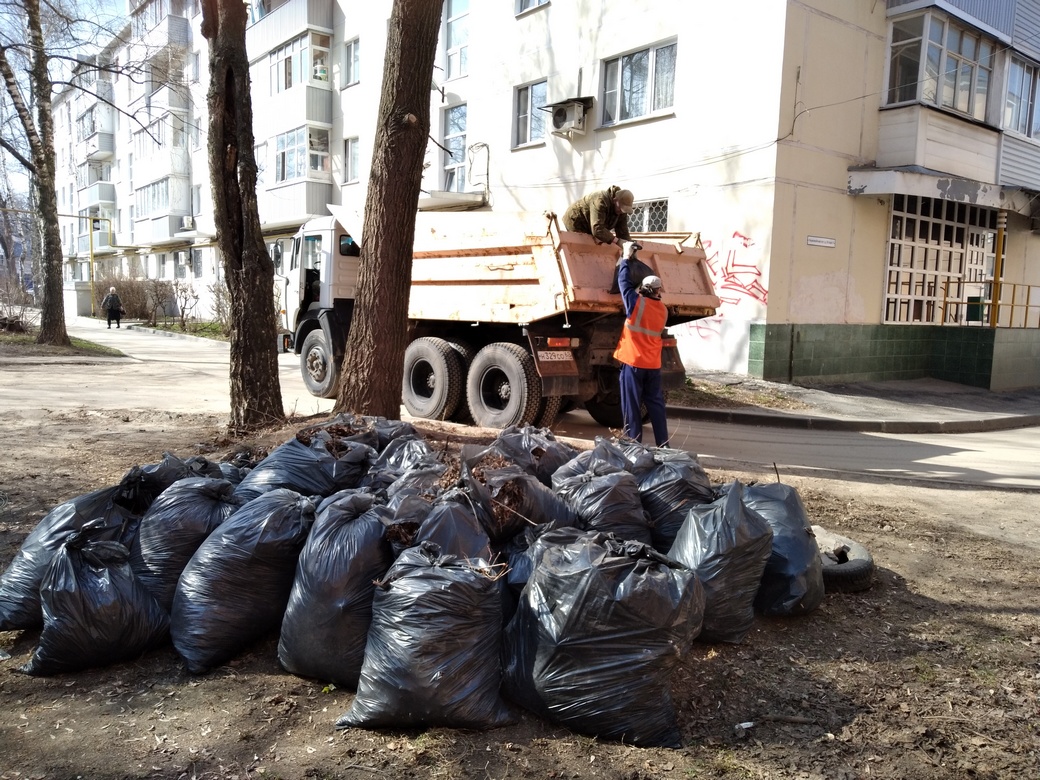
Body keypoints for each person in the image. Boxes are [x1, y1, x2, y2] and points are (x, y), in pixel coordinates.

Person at [612, 243, 669, 447]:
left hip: (634, 363)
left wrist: (626, 259)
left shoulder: (637, 304)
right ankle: (664, 444)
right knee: (656, 405)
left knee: (632, 405)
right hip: (652, 365)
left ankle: (634, 445)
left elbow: (623, 284)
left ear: (644, 289)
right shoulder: (663, 310)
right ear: (658, 291)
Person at [562, 185, 634, 246]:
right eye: (620, 207)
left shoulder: (621, 211)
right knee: (581, 247)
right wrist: (617, 241)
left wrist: (630, 247)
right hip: (576, 221)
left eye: (624, 209)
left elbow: (623, 233)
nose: (621, 211)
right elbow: (597, 228)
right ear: (615, 200)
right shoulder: (600, 200)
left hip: (589, 226)